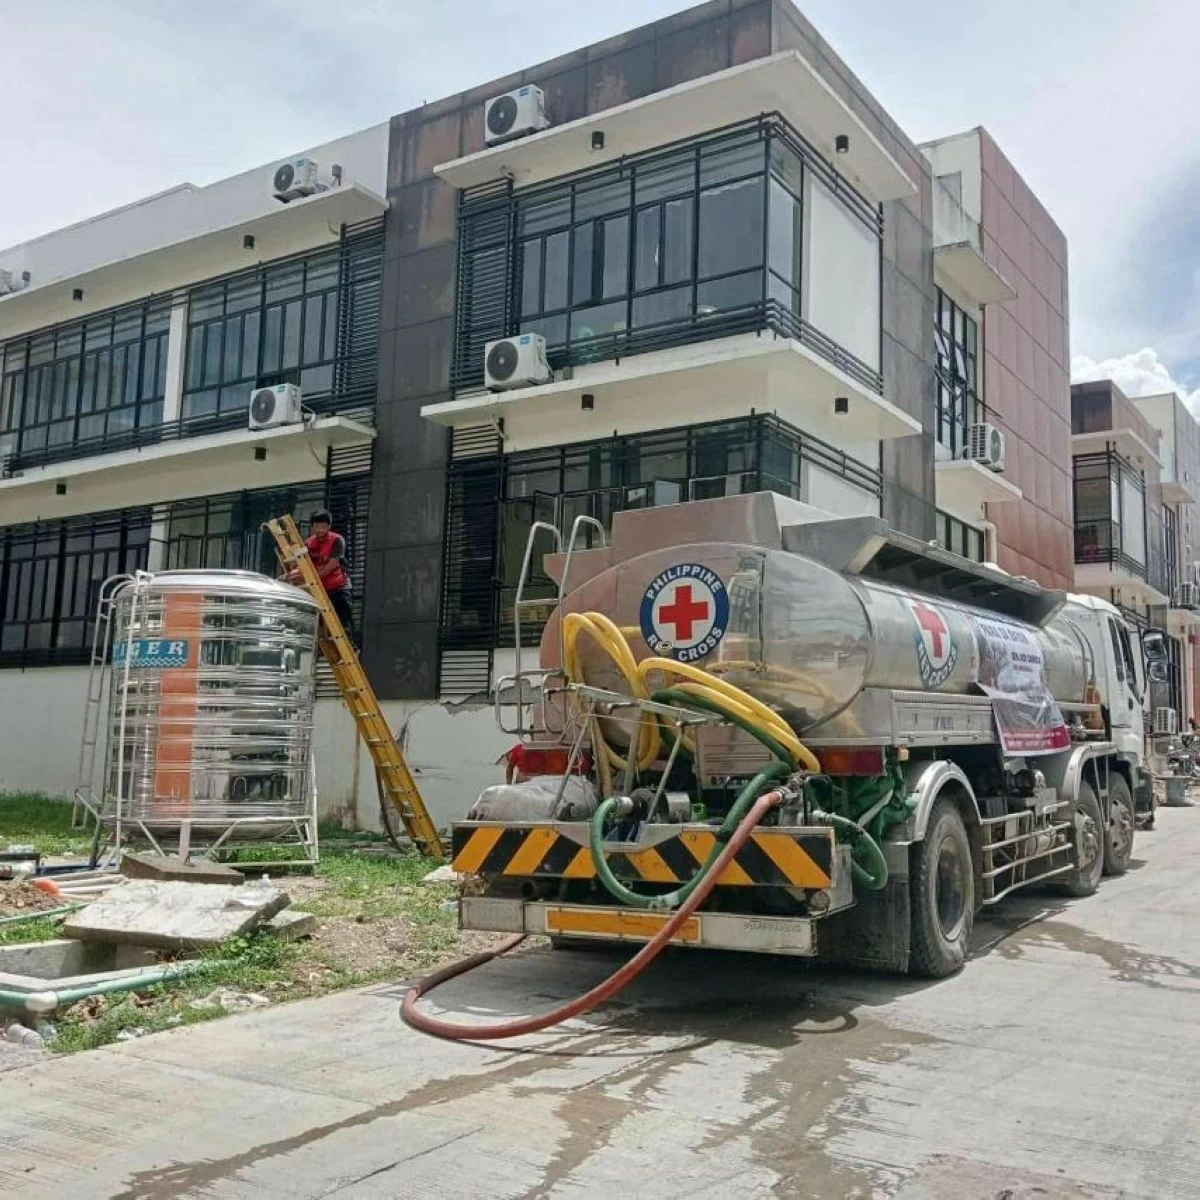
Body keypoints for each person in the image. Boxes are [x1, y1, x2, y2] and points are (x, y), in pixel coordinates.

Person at [305, 509, 355, 644]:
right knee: (321, 623)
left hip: (339, 586)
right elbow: (303, 565)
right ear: (313, 527)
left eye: (323, 526)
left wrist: (314, 578)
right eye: (317, 526)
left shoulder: (337, 540)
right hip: (321, 589)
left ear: (329, 526)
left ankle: (349, 646)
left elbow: (333, 564)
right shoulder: (308, 544)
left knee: (342, 621)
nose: (320, 530)